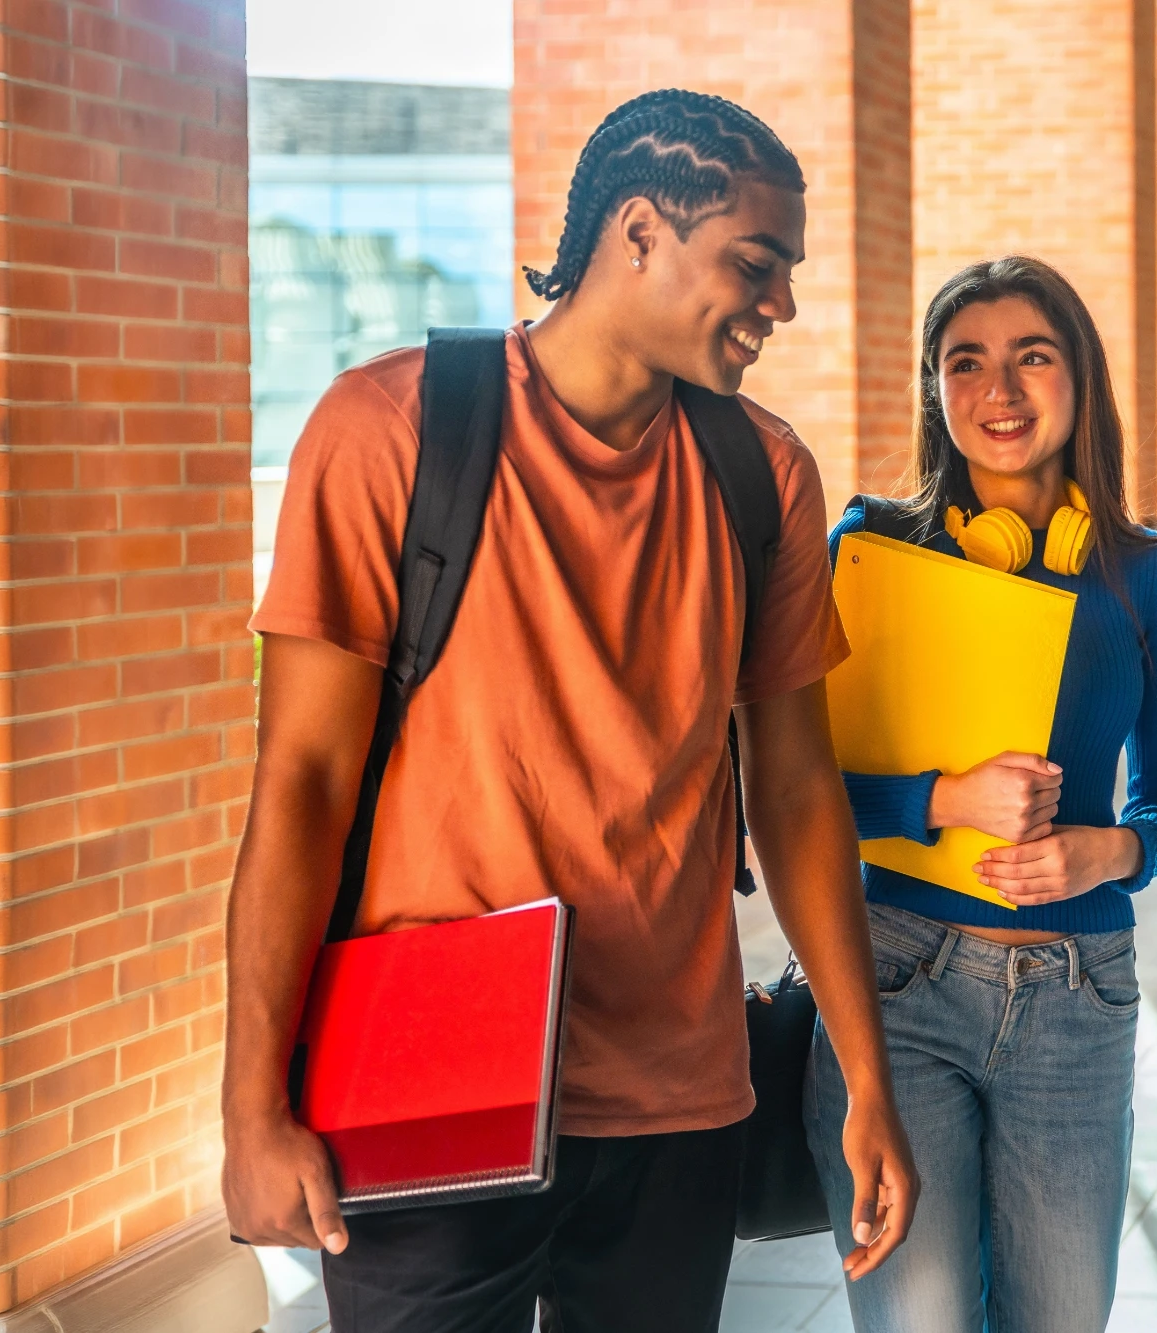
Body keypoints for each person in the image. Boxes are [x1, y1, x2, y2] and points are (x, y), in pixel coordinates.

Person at [220, 91, 916, 1333]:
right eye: (754, 265)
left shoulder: (764, 475)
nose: (782, 305)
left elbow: (797, 790)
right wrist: (252, 1106)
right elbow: (304, 785)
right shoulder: (391, 429)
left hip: (677, 1099)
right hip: (426, 1082)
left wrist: (860, 1077)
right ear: (639, 233)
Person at [804, 255, 1157, 1332]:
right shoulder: (872, 551)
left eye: (1033, 357)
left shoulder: (1145, 575)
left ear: (1080, 378)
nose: (999, 391)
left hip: (1078, 994)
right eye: (963, 363)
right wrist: (939, 799)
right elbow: (799, 798)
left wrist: (1109, 852)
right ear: (934, 392)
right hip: (893, 985)